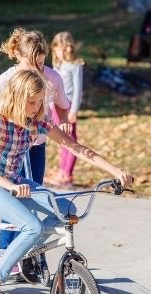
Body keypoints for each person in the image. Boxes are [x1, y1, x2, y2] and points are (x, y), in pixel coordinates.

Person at [0, 70, 133, 294]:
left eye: (40, 102)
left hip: (12, 182)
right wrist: (11, 187)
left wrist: (116, 170)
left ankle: (21, 253)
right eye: (31, 102)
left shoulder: (37, 121)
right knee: (32, 226)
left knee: (66, 210)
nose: (36, 107)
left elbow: (74, 147)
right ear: (16, 98)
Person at [0, 28, 73, 275]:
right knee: (14, 197)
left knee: (32, 200)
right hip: (8, 146)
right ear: (18, 55)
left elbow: (62, 106)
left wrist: (65, 122)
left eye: (41, 62)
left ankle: (29, 253)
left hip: (35, 146)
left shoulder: (51, 77)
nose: (37, 69)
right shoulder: (6, 82)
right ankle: (8, 254)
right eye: (32, 62)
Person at [43, 32, 84, 187]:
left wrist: (73, 111)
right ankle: (61, 171)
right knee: (62, 140)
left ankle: (67, 174)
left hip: (68, 107)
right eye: (56, 49)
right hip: (55, 107)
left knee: (71, 140)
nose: (59, 52)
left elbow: (78, 90)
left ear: (69, 48)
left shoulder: (76, 65)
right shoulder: (57, 66)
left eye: (62, 48)